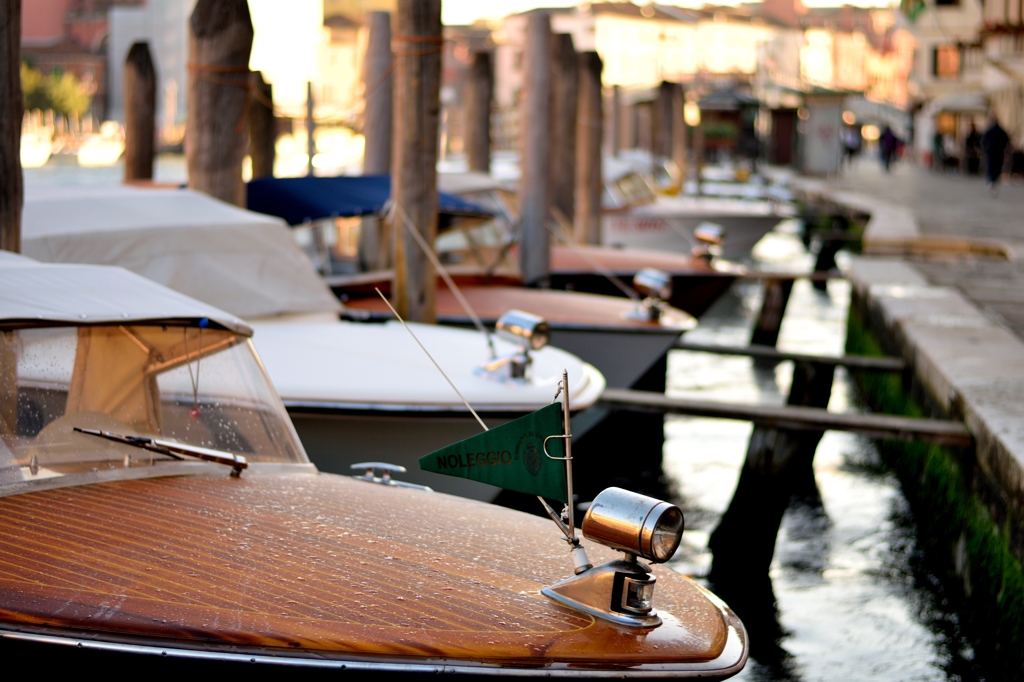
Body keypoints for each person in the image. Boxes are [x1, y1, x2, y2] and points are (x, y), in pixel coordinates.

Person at [981, 115, 1009, 195]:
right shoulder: (1000, 131)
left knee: (991, 166)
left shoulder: (990, 130)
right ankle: (994, 179)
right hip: (999, 152)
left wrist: (986, 148)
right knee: (997, 166)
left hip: (991, 152)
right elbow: (1007, 140)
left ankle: (992, 180)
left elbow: (983, 140)